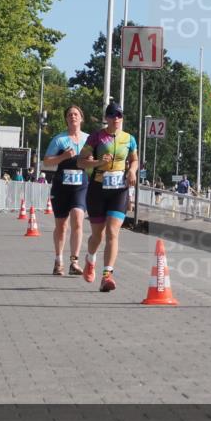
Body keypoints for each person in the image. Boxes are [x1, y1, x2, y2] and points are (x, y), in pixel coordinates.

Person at [78, 102, 139, 292]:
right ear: (107, 117)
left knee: (113, 232)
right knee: (98, 235)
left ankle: (107, 276)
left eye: (119, 115)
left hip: (119, 190)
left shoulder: (129, 139)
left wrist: (132, 171)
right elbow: (81, 162)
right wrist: (97, 161)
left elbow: (135, 159)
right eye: (112, 115)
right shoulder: (96, 137)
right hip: (97, 189)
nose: (116, 118)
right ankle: (90, 259)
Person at [43, 105, 89, 276]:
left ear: (81, 118)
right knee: (62, 226)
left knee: (78, 219)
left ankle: (74, 262)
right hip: (61, 186)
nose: (73, 117)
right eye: (69, 114)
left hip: (80, 185)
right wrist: (63, 157)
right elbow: (46, 162)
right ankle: (58, 260)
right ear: (66, 119)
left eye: (76, 114)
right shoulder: (59, 139)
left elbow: (96, 160)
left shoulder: (88, 139)